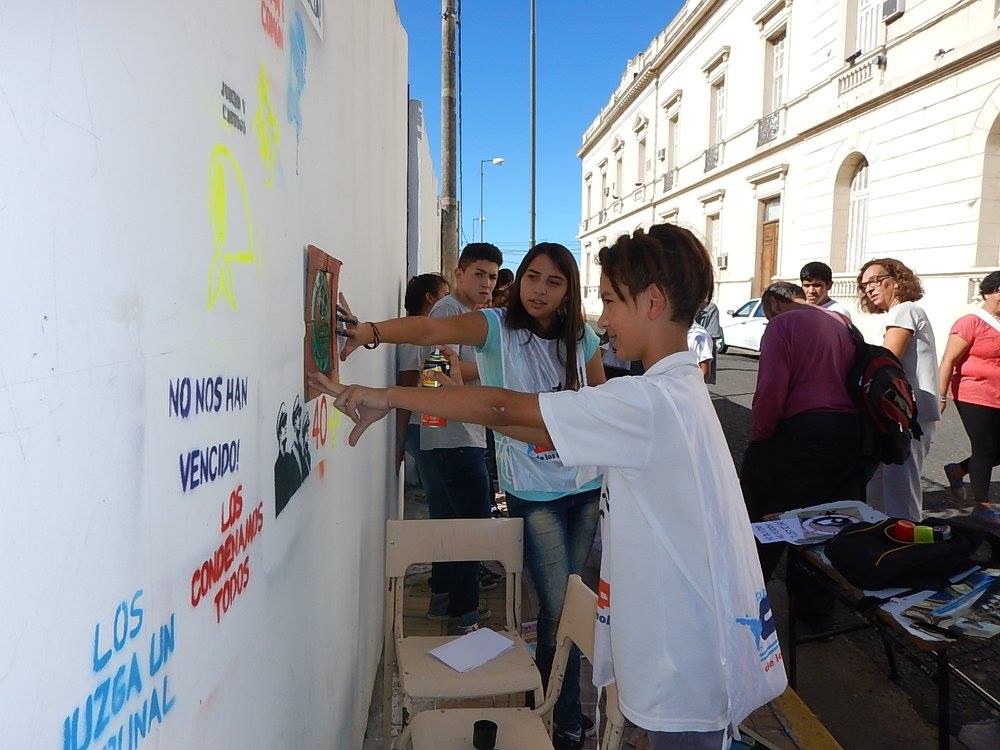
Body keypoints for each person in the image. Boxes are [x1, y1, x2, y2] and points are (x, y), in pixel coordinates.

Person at [316, 226, 786, 750]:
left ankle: (561, 711)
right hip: (691, 647)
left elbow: (504, 408)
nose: (603, 319)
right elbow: (521, 422)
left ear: (652, 302)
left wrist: (387, 396)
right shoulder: (673, 391)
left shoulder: (648, 401)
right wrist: (395, 375)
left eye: (611, 301)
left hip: (687, 662)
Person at [339, 243, 606, 748]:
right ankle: (565, 715)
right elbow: (429, 333)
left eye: (554, 282)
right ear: (519, 279)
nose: (540, 290)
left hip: (585, 484)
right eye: (532, 277)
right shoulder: (493, 326)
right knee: (556, 607)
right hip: (532, 489)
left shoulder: (582, 336)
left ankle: (549, 701)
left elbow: (598, 404)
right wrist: (371, 332)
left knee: (573, 600)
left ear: (569, 290)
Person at [741, 282, 870, 586]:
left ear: (773, 303)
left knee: (766, 518)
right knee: (821, 523)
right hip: (849, 431)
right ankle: (813, 602)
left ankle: (749, 590)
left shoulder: (782, 324)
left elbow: (771, 390)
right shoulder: (841, 321)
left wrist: (761, 437)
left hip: (802, 431)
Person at [858, 259, 940, 521]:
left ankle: (907, 542)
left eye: (875, 280)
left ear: (896, 280)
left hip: (906, 415)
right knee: (881, 490)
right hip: (900, 414)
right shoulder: (900, 313)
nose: (869, 288)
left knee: (901, 494)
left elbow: (886, 360)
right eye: (865, 285)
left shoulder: (905, 310)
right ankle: (884, 538)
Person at [938, 271, 1000, 526]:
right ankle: (982, 505)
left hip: (998, 395)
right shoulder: (970, 322)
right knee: (984, 447)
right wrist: (940, 396)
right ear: (987, 293)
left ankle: (958, 470)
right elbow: (949, 359)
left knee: (994, 448)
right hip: (973, 393)